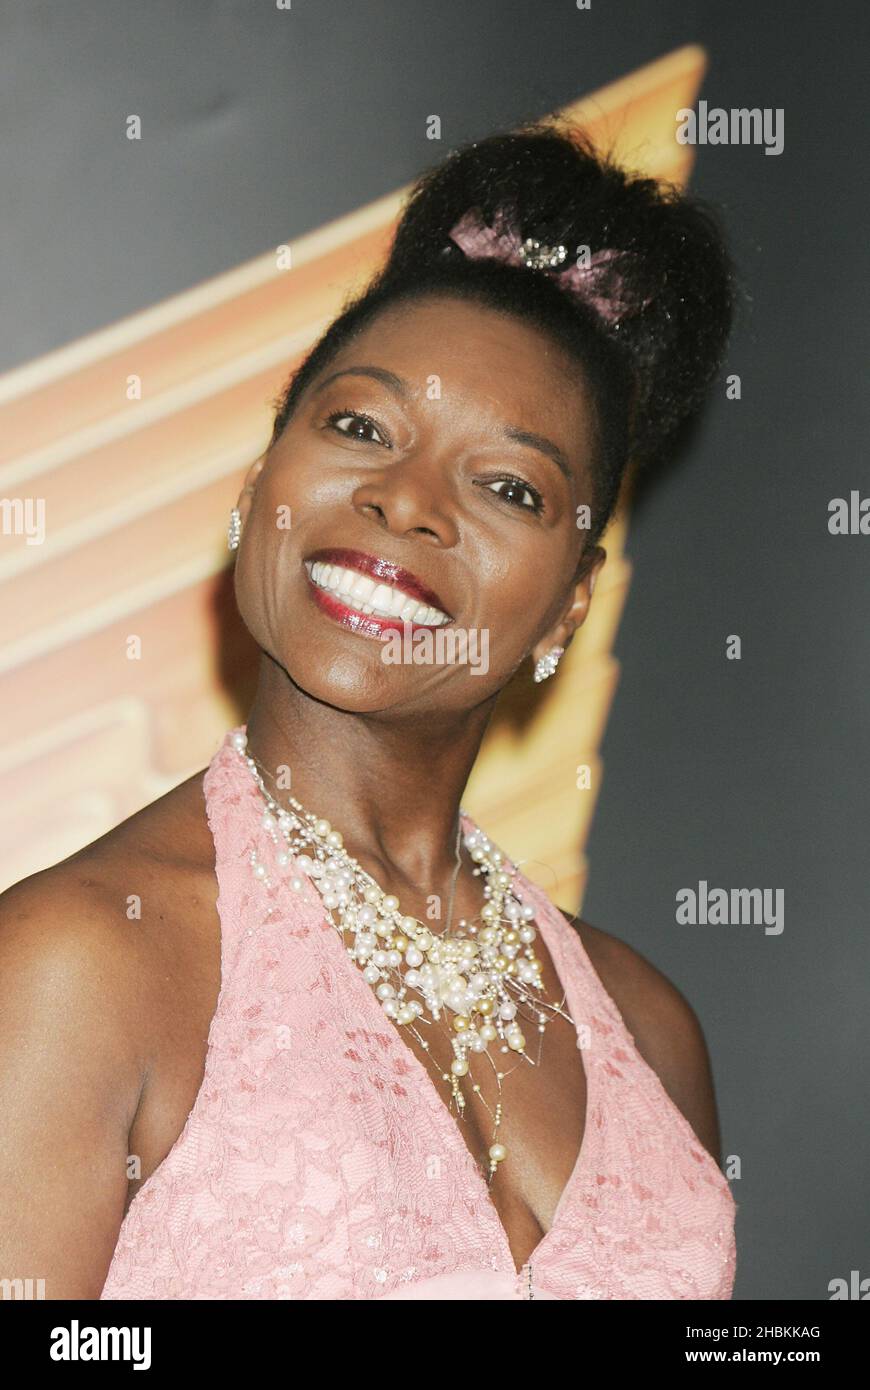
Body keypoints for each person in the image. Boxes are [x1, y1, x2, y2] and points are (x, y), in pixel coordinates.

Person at [0, 118, 738, 1300]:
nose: (405, 500)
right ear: (260, 489)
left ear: (569, 606)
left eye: (508, 484)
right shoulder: (79, 964)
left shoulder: (650, 1030)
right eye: (358, 426)